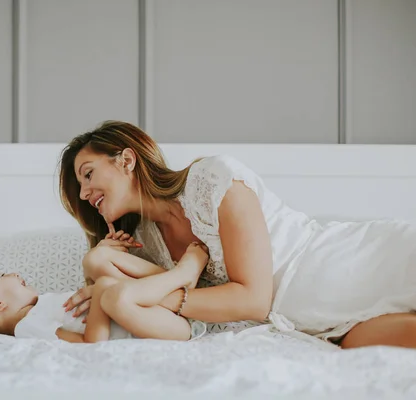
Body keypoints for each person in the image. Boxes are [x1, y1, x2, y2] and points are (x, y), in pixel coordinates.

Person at [59, 120, 416, 349]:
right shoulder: (145, 245)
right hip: (319, 327)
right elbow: (121, 303)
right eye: (80, 187)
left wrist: (152, 296)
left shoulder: (213, 179)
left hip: (349, 265)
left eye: (88, 175)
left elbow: (253, 300)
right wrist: (99, 261)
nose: (85, 193)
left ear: (126, 160)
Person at [0, 234, 208, 343]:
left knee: (96, 261)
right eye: (2, 275)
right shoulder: (28, 327)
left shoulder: (40, 305)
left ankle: (181, 284)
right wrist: (102, 288)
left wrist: (101, 261)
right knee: (113, 294)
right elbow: (90, 343)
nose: (13, 273)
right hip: (160, 328)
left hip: (151, 313)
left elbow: (86, 310)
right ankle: (183, 274)